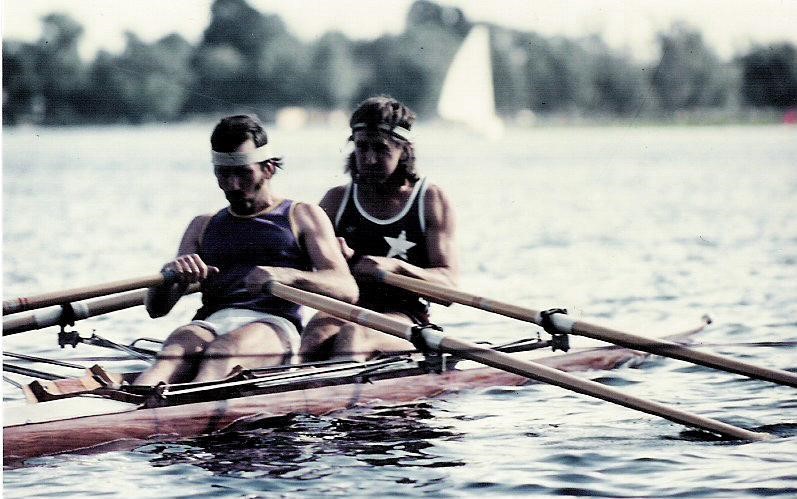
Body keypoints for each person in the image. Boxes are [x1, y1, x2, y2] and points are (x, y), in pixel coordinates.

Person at [134, 115, 358, 385]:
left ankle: (190, 402)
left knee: (223, 352)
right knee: (172, 352)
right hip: (211, 322)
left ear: (268, 169)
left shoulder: (302, 216)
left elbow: (347, 289)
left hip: (273, 326)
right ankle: (132, 403)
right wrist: (169, 276)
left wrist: (285, 275)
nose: (233, 185)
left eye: (243, 173)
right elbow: (156, 309)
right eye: (223, 173)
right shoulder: (202, 225)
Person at [300, 96, 459, 362]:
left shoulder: (430, 200)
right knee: (314, 333)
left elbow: (449, 287)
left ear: (404, 150)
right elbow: (301, 266)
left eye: (381, 149)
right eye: (362, 147)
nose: (370, 159)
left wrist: (395, 267)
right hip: (347, 308)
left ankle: (341, 384)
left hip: (406, 318)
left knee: (355, 335)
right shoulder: (336, 200)